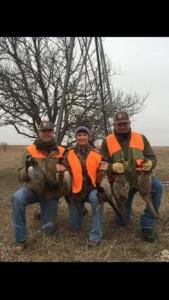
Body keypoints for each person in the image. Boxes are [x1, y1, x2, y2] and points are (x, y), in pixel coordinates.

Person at [101, 111, 163, 243]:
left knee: (158, 188)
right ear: (114, 125)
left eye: (125, 123)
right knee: (122, 222)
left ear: (129, 123)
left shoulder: (141, 137)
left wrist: (150, 163)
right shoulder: (107, 141)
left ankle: (147, 224)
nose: (122, 126)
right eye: (119, 124)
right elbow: (102, 163)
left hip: (140, 178)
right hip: (121, 181)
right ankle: (124, 216)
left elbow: (151, 157)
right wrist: (112, 167)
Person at [11, 121, 65, 252]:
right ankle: (20, 240)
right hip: (33, 190)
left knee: (48, 231)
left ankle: (41, 213)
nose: (46, 133)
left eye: (49, 131)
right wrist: (28, 170)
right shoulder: (30, 150)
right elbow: (19, 175)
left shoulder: (62, 151)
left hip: (51, 193)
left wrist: (63, 171)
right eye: (44, 131)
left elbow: (67, 176)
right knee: (17, 198)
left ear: (52, 132)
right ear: (39, 133)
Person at [60, 124, 104, 247]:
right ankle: (81, 209)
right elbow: (62, 170)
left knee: (97, 199)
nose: (82, 137)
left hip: (92, 190)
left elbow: (104, 171)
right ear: (76, 137)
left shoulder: (97, 153)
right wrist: (61, 170)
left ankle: (95, 235)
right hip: (75, 191)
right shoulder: (68, 154)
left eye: (84, 135)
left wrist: (102, 184)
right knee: (74, 228)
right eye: (79, 135)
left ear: (89, 137)